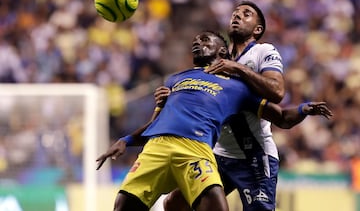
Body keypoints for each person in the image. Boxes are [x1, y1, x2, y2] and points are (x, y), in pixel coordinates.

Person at [96, 30, 332, 211]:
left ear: (223, 52)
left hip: (196, 150)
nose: (198, 43)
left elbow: (280, 117)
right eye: (196, 41)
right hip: (156, 148)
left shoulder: (237, 86)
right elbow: (157, 123)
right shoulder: (176, 79)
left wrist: (303, 108)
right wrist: (126, 140)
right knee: (123, 207)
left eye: (206, 40)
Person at [157, 1, 288, 211]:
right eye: (235, 13)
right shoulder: (217, 58)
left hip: (254, 155)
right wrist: (170, 96)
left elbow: (277, 91)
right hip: (219, 153)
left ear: (258, 29)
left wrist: (237, 68)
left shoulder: (263, 51)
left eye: (246, 14)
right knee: (174, 204)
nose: (237, 16)